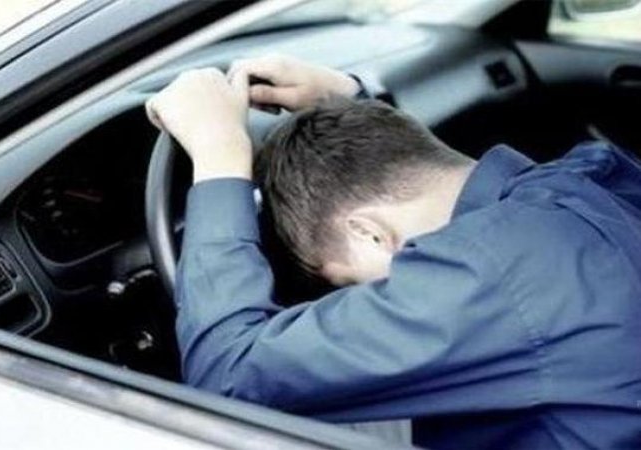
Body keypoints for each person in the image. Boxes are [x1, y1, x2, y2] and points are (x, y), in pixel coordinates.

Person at [146, 55, 641, 449]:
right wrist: (356, 103)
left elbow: (227, 377)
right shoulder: (588, 175)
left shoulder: (477, 275)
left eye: (350, 285)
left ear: (371, 234)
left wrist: (219, 155)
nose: (364, 298)